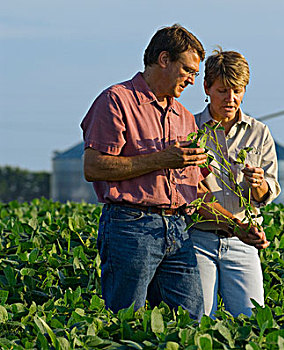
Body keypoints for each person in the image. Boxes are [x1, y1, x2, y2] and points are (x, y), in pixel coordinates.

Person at [81, 25, 267, 320]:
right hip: (131, 227)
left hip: (178, 230)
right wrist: (161, 160)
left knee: (191, 321)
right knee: (127, 320)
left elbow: (197, 192)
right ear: (164, 59)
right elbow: (93, 167)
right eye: (188, 71)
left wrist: (236, 227)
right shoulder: (117, 100)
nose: (193, 80)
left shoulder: (183, 116)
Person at [190, 49, 281, 318]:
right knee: (200, 319)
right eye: (223, 91)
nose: (231, 99)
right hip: (199, 238)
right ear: (206, 87)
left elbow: (268, 191)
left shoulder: (259, 132)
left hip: (244, 241)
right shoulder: (191, 128)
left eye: (238, 91)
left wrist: (258, 184)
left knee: (251, 319)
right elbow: (189, 190)